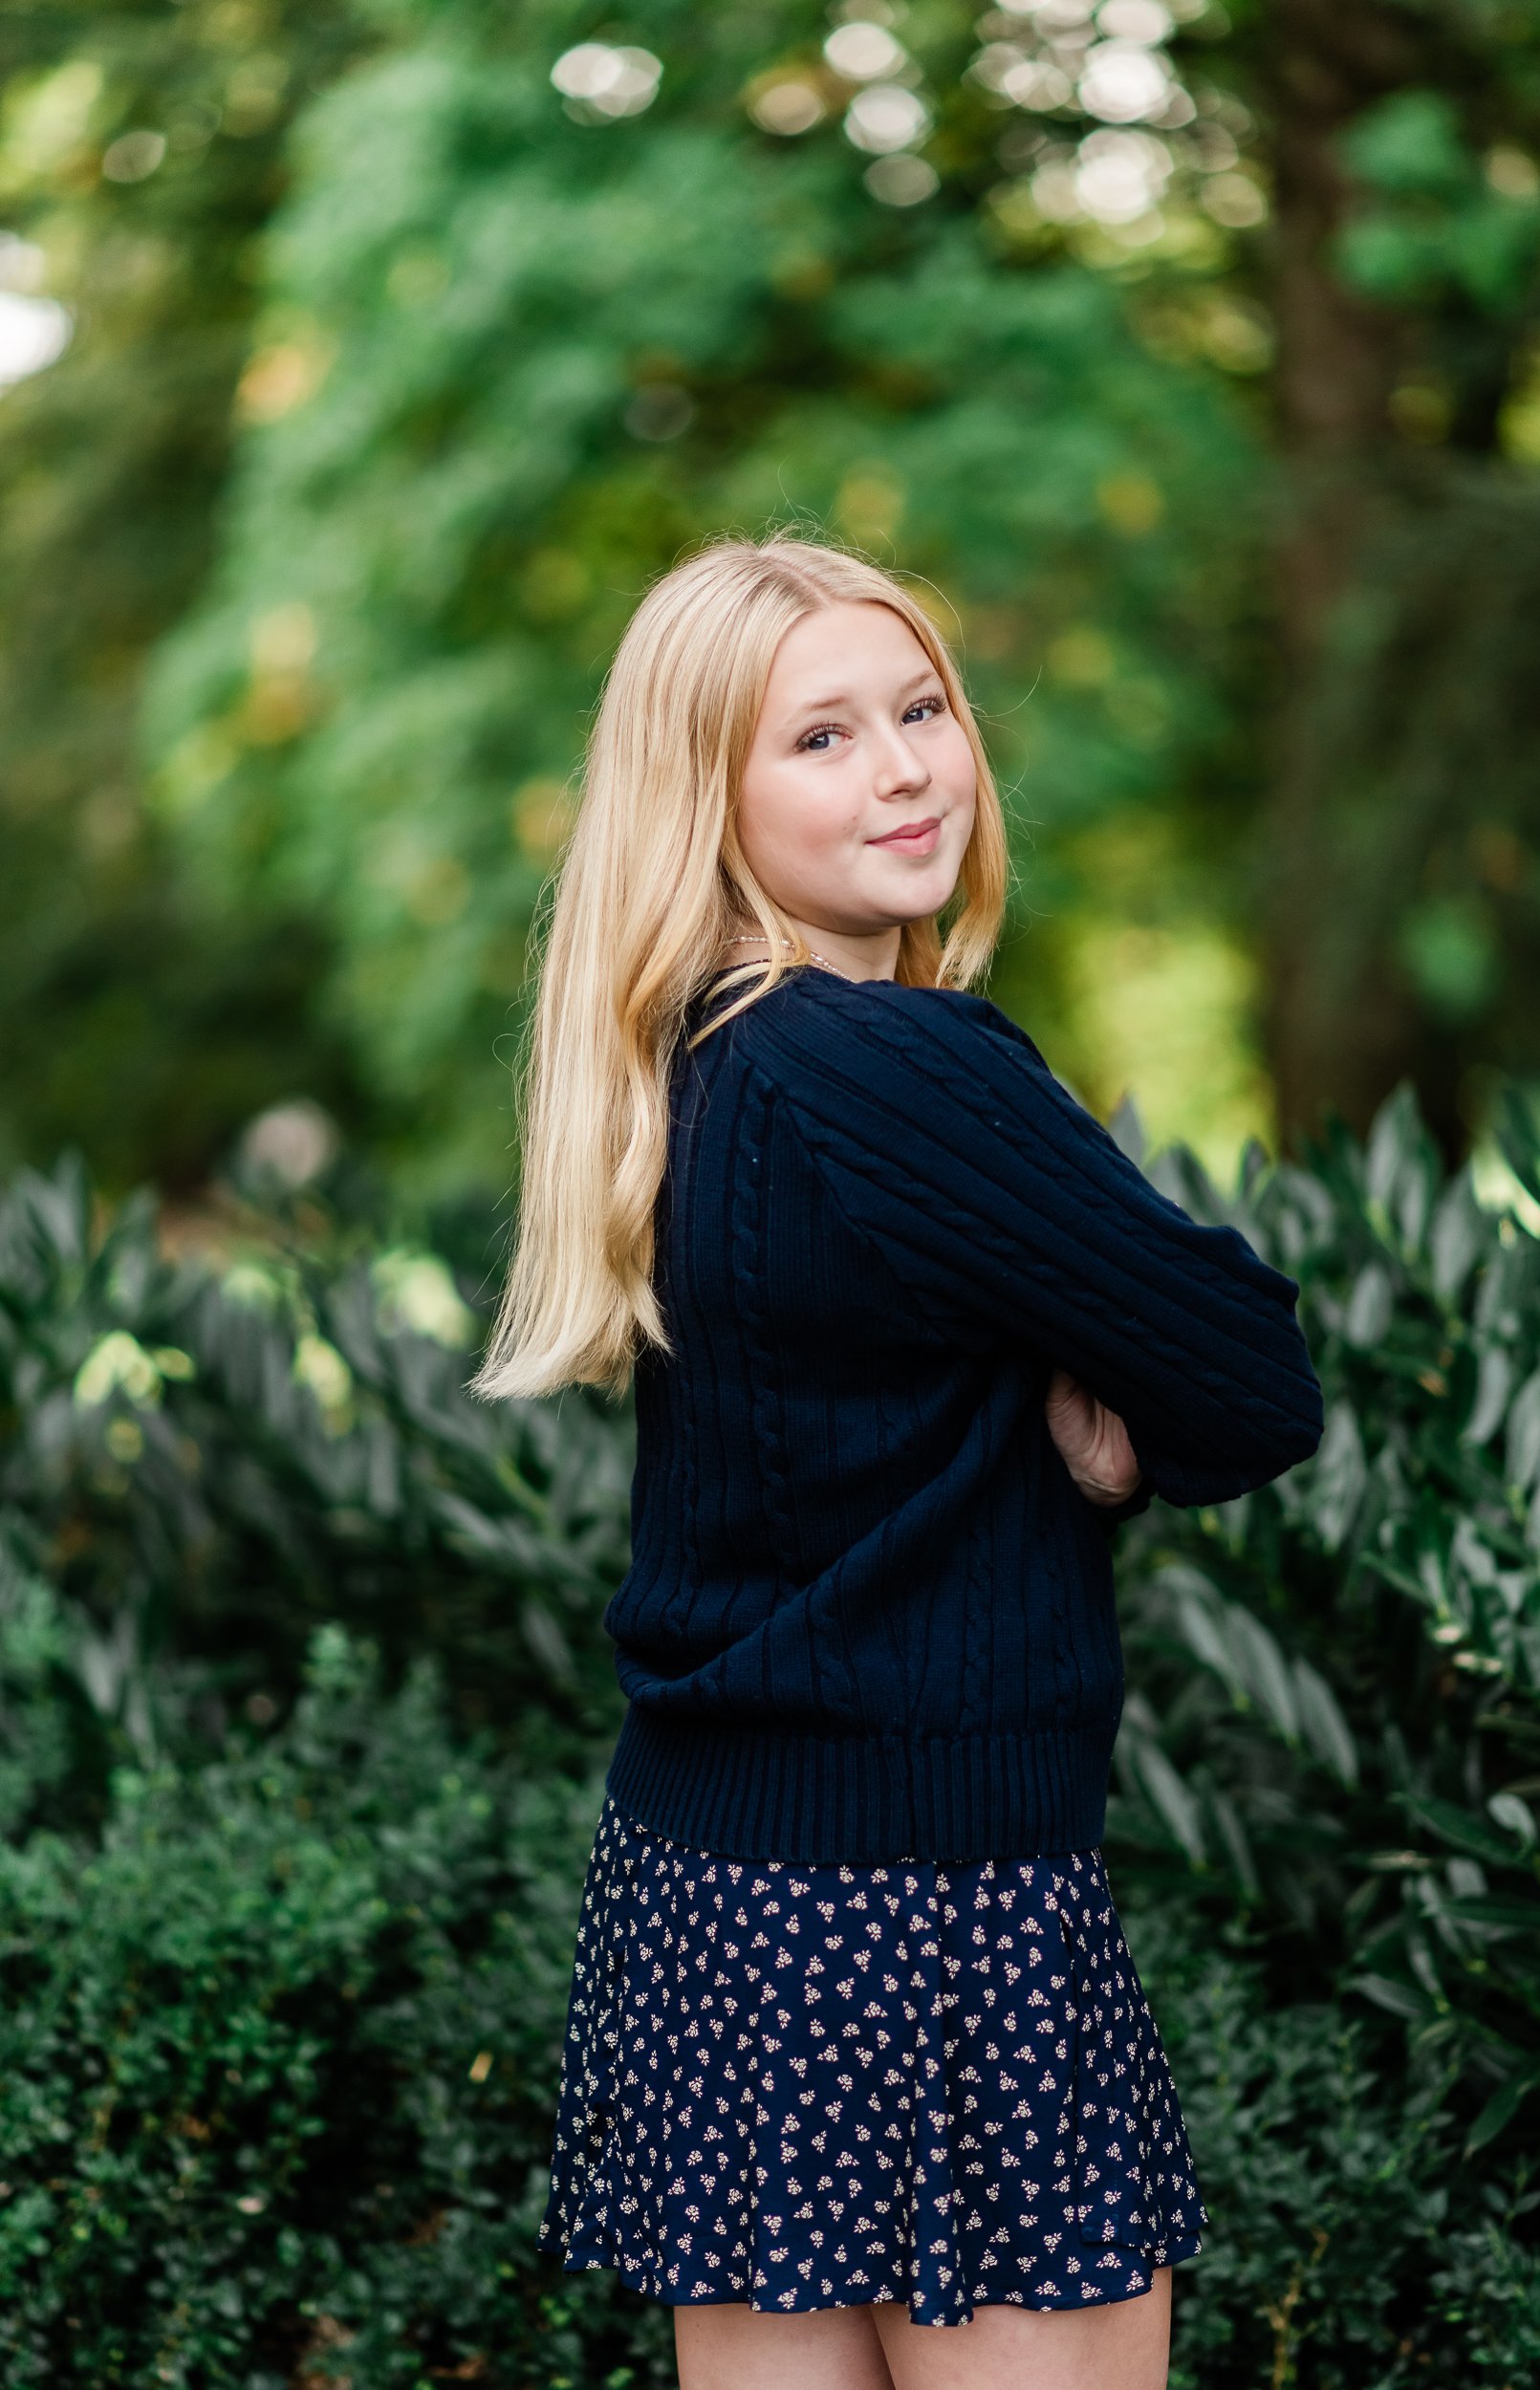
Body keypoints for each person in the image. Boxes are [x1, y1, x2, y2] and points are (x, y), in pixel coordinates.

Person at [475, 531, 1324, 2390]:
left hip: (719, 1883)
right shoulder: (887, 1068)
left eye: (922, 708)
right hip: (932, 1894)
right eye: (822, 738)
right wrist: (1105, 1421)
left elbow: (851, 1441)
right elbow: (1254, 1377)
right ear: (707, 796)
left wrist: (1072, 1433)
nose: (909, 768)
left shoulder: (697, 1066)